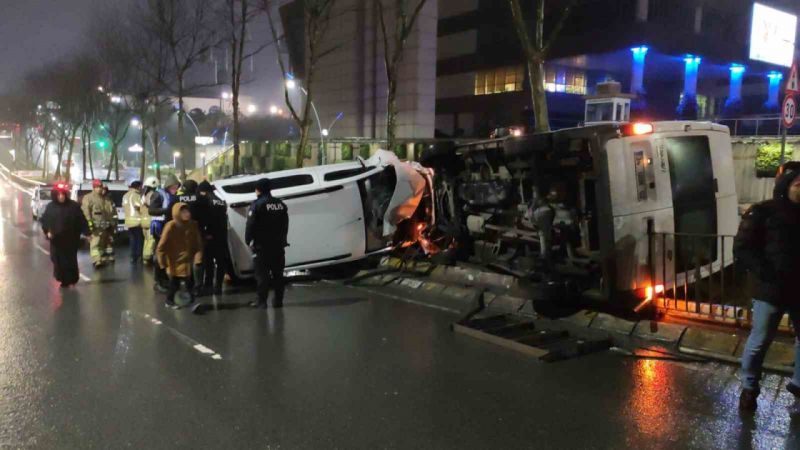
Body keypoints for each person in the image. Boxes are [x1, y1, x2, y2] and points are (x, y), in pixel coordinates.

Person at [735, 161, 800, 412]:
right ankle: (749, 388)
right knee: (760, 340)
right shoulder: (763, 212)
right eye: (799, 184)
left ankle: (798, 387)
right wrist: (766, 274)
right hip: (770, 291)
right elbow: (743, 248)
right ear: (786, 186)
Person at [245, 178, 289, 309]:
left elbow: (251, 224)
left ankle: (262, 302)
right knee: (278, 274)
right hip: (278, 246)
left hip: (262, 247)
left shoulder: (257, 205)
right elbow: (285, 225)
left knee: (262, 275)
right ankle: (278, 301)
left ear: (258, 189)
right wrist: (283, 240)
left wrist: (248, 240)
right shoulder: (280, 204)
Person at [41, 183, 89, 287]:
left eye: (63, 194)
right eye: (59, 194)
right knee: (56, 259)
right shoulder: (50, 207)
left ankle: (71, 279)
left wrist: (87, 233)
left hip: (71, 239)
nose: (61, 196)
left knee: (70, 261)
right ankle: (61, 277)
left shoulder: (73, 206)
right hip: (56, 240)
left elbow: (81, 220)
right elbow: (45, 221)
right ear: (55, 195)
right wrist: (47, 231)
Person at [156, 203, 203, 309]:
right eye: (183, 212)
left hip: (187, 262)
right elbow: (161, 247)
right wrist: (162, 264)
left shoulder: (193, 224)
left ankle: (191, 302)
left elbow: (198, 244)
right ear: (177, 214)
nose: (187, 214)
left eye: (187, 211)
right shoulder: (170, 226)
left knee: (190, 284)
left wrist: (198, 259)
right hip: (174, 262)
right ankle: (169, 301)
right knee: (174, 284)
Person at [149, 174, 180, 291]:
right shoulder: (158, 194)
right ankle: (159, 281)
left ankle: (165, 279)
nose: (175, 189)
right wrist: (167, 210)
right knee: (160, 254)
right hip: (159, 227)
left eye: (176, 187)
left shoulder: (173, 195)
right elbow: (151, 210)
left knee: (167, 254)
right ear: (168, 186)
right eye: (173, 187)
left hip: (169, 226)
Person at [199, 180, 230, 295]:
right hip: (221, 236)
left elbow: (207, 219)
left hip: (210, 236)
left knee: (209, 262)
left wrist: (206, 233)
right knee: (220, 261)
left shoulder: (206, 201)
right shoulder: (220, 201)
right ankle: (218, 286)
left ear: (203, 191)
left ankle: (208, 286)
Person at [81, 179, 115, 269]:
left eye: (100, 187)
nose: (99, 189)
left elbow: (108, 212)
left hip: (104, 226)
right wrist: (89, 223)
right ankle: (96, 260)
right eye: (97, 187)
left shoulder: (104, 198)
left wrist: (111, 224)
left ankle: (101, 259)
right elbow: (86, 212)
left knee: (102, 244)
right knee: (95, 243)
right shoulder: (88, 198)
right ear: (94, 188)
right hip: (95, 226)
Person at [122, 180, 144, 264]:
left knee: (132, 239)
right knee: (139, 239)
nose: (141, 188)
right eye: (141, 187)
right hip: (136, 220)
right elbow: (138, 206)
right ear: (138, 187)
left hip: (128, 221)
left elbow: (124, 206)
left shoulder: (125, 195)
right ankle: (139, 256)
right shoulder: (136, 195)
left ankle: (133, 257)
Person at [141, 176, 159, 265]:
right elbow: (152, 206)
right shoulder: (152, 195)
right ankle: (147, 257)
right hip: (150, 220)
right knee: (151, 239)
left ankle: (145, 257)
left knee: (146, 239)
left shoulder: (143, 195)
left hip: (143, 220)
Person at [101, 185, 117, 263]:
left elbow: (114, 212)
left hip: (110, 223)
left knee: (110, 240)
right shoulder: (98, 200)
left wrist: (115, 223)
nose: (103, 191)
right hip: (101, 224)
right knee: (102, 241)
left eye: (105, 190)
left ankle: (110, 255)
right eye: (102, 189)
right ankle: (102, 256)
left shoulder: (110, 201)